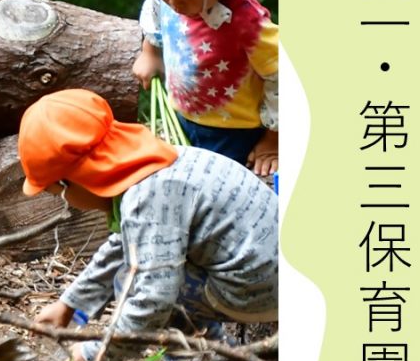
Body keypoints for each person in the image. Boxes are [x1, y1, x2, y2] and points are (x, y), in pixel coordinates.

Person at [20, 89, 277, 337]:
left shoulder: (147, 199)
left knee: (130, 282)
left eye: (59, 193)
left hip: (263, 291)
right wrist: (70, 304)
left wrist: (96, 356)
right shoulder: (152, 165)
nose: (67, 201)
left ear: (72, 180)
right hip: (273, 271)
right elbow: (122, 245)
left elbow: (154, 296)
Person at [125, 0, 280, 180]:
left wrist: (273, 139)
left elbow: (281, 74)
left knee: (212, 189)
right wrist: (151, 50)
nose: (173, 0)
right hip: (183, 115)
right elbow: (155, 5)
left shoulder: (247, 23)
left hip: (232, 132)